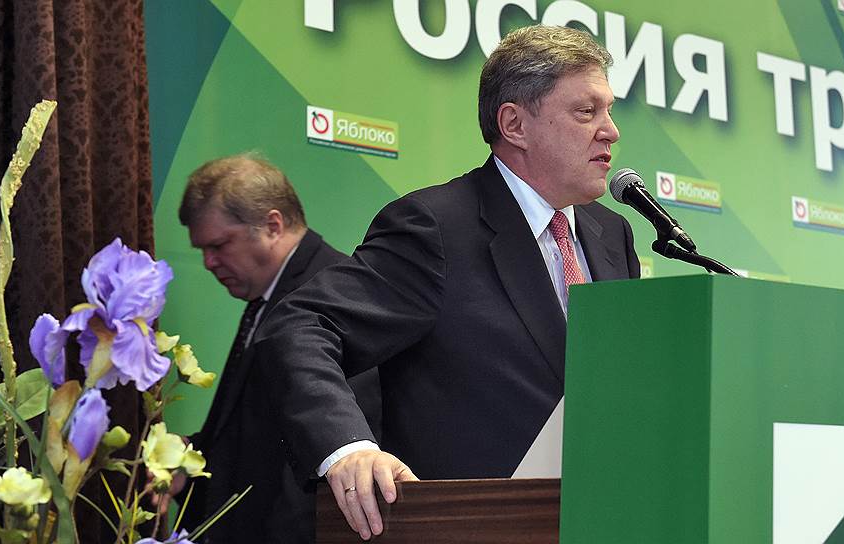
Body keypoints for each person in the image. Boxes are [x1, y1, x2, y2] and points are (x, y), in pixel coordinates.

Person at [253, 25, 640, 540]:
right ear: (515, 124)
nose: (611, 131)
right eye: (586, 111)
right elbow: (300, 325)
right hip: (470, 527)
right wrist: (348, 449)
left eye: (608, 111)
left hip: (605, 519)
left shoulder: (612, 233)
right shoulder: (436, 228)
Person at [170, 154, 382, 543]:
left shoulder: (331, 294)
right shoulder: (268, 295)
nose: (208, 262)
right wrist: (189, 455)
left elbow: (330, 447)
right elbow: (258, 431)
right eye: (202, 250)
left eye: (219, 245)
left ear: (272, 225)